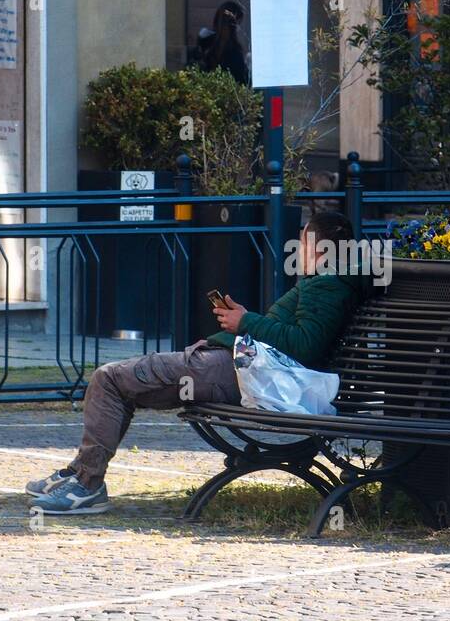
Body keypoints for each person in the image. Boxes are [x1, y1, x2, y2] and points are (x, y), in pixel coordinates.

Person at [27, 211, 364, 514]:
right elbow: (295, 337)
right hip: (237, 368)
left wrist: (244, 323)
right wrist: (243, 320)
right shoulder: (327, 282)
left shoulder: (327, 284)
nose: (298, 251)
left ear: (319, 249)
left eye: (302, 242)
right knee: (118, 382)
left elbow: (304, 345)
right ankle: (81, 473)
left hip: (241, 374)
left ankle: (86, 485)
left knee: (110, 379)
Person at [199, 0, 249, 85]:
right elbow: (242, 81)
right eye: (239, 24)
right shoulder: (234, 52)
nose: (240, 30)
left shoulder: (207, 43)